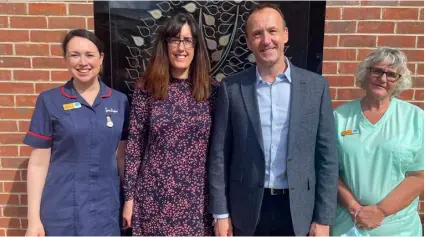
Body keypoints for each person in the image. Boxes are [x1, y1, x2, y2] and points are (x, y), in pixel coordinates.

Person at [208, 3, 339, 236]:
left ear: (285, 35)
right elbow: (219, 154)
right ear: (248, 42)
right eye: (257, 34)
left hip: (298, 210)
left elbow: (328, 158)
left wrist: (324, 218)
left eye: (272, 31)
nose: (266, 40)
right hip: (246, 209)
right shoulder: (233, 87)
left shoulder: (316, 87)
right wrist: (220, 213)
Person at [24, 29, 129, 236]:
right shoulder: (49, 101)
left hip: (106, 210)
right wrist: (33, 220)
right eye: (75, 55)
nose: (83, 62)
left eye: (89, 55)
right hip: (62, 210)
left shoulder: (119, 101)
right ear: (65, 59)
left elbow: (122, 158)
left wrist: (130, 201)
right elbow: (38, 163)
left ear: (101, 58)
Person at [122, 13, 219, 236]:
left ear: (196, 46)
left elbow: (220, 151)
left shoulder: (213, 91)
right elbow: (135, 146)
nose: (181, 47)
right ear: (165, 45)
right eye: (174, 40)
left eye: (187, 40)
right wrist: (129, 198)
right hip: (154, 197)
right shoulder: (147, 89)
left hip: (197, 202)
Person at [331, 47, 424, 236]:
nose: (383, 79)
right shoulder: (339, 117)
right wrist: (354, 208)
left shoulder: (416, 119)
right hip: (349, 226)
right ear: (366, 73)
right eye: (377, 71)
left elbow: (418, 176)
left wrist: (380, 211)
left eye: (391, 75)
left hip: (399, 230)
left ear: (399, 81)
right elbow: (330, 172)